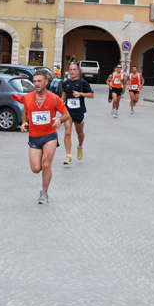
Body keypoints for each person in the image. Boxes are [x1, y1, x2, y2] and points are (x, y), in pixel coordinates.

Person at [21, 70, 70, 204]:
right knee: (36, 168)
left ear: (46, 82)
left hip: (49, 136)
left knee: (46, 164)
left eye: (39, 81)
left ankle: (44, 193)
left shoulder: (54, 98)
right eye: (35, 81)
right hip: (34, 137)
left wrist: (59, 119)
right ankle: (45, 172)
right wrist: (24, 122)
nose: (36, 84)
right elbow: (25, 112)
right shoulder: (28, 97)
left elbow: (66, 114)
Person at [61, 63, 94, 164]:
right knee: (67, 132)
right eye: (70, 69)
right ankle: (68, 155)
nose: (72, 71)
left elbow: (92, 95)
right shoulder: (65, 83)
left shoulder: (83, 83)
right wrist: (61, 103)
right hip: (68, 111)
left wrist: (80, 94)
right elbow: (64, 95)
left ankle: (80, 146)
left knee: (80, 133)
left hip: (79, 111)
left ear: (78, 71)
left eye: (74, 69)